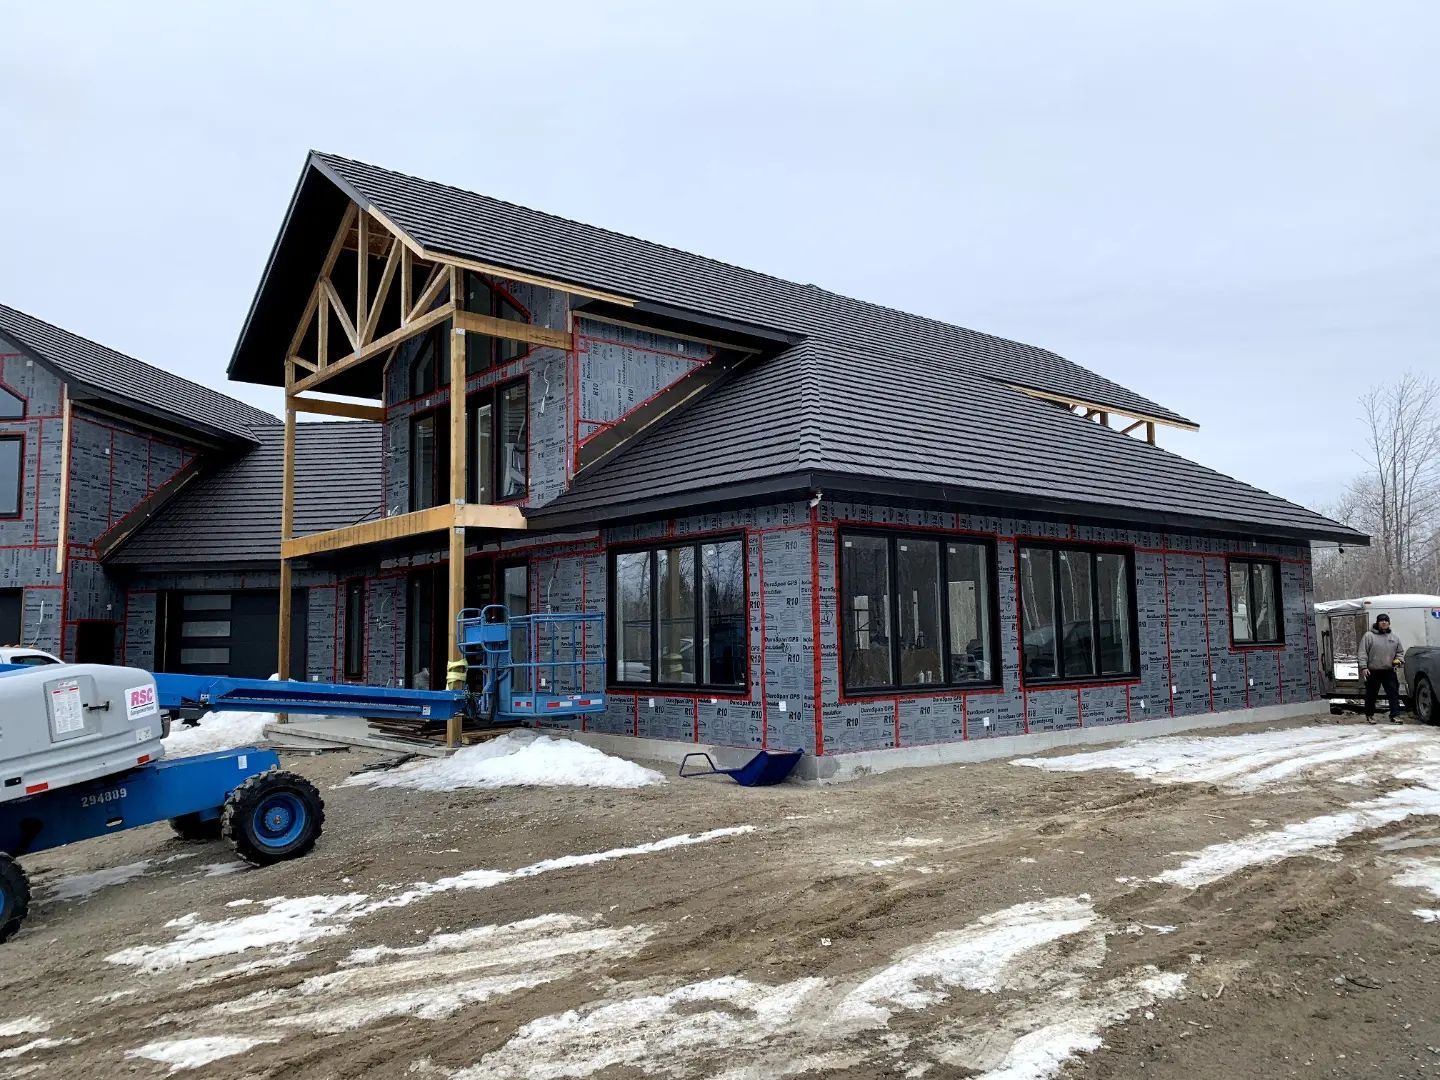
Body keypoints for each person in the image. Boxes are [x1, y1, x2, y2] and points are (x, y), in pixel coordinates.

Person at [1359, 613, 1405, 724]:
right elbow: (1362, 652)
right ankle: (1370, 715)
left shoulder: (1394, 637)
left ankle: (1395, 715)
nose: (1384, 622)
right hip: (1372, 670)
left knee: (1393, 694)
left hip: (1389, 670)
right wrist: (1364, 667)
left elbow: (1400, 652)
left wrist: (1398, 660)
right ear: (1377, 622)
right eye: (1381, 621)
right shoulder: (1369, 636)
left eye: (1386, 621)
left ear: (1389, 623)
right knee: (1371, 695)